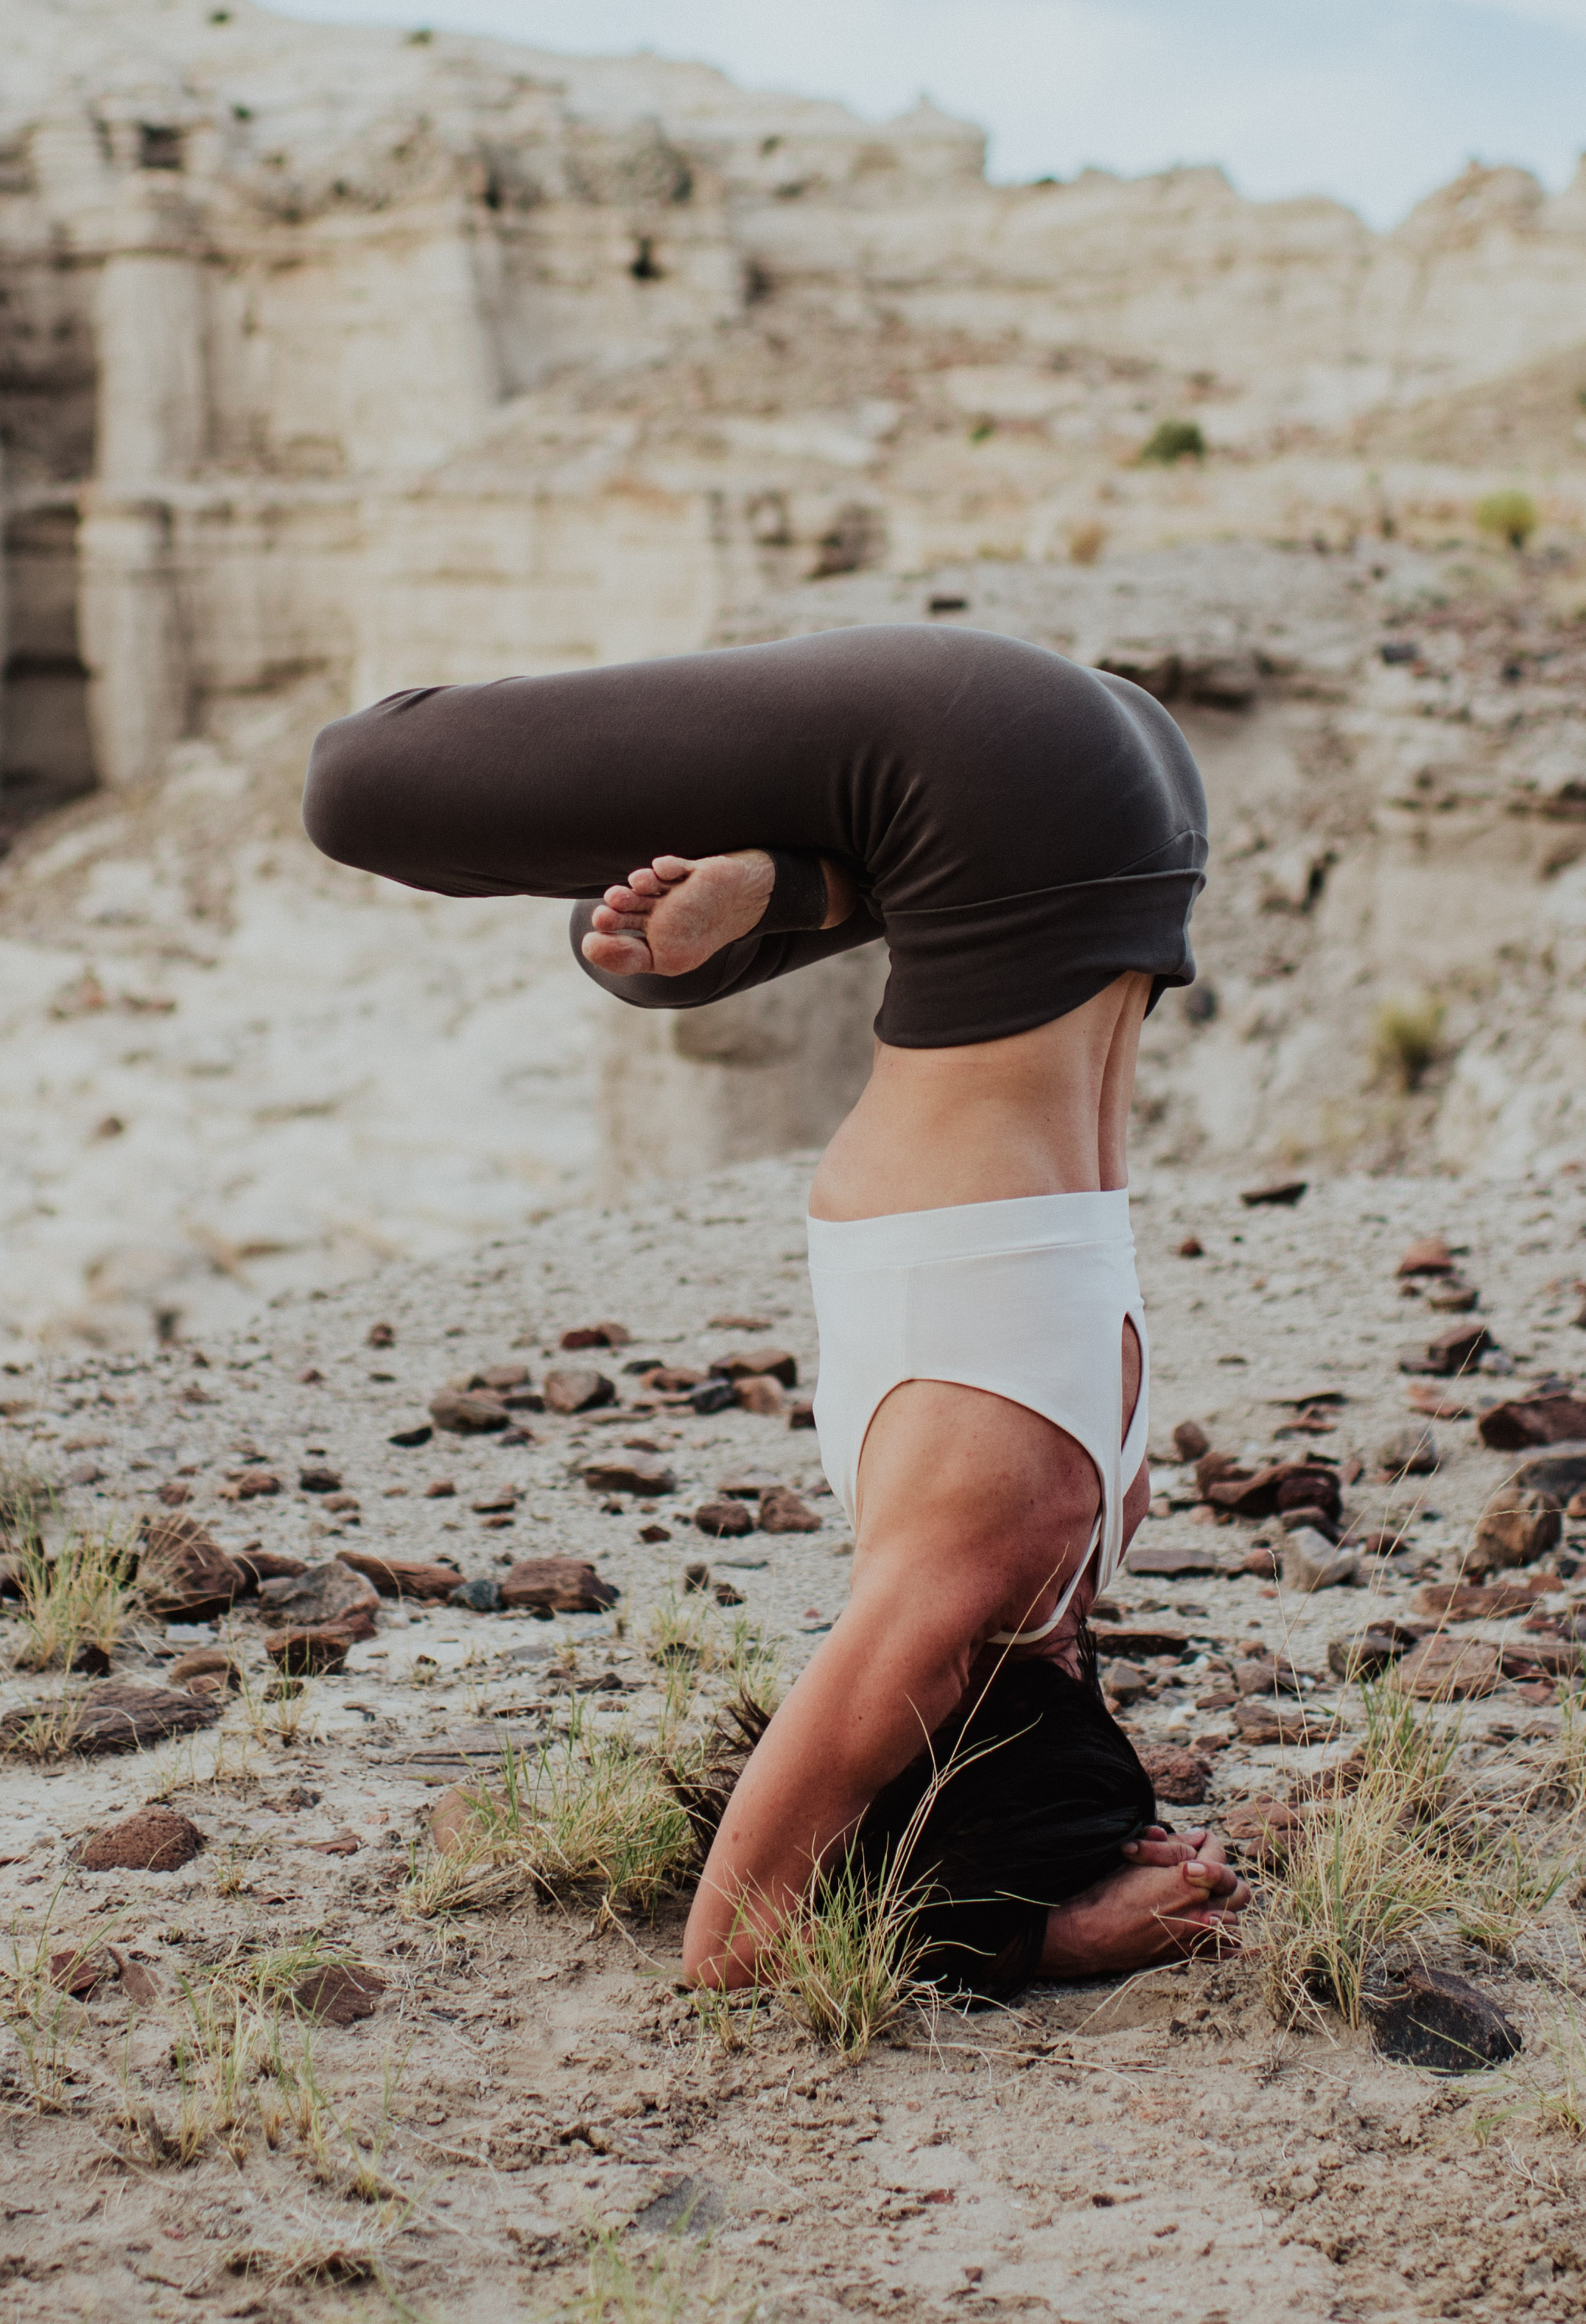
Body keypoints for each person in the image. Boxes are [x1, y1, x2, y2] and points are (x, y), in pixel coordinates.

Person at [301, 622, 1245, 1992]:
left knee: (620, 951)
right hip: (997, 764)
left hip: (1129, 821)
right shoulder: (963, 1575)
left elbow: (1022, 1755)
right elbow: (735, 1946)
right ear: (926, 1732)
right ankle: (773, 853)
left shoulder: (1083, 1528)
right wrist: (1034, 1936)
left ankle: (795, 885)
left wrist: (1076, 1865)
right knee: (359, 784)